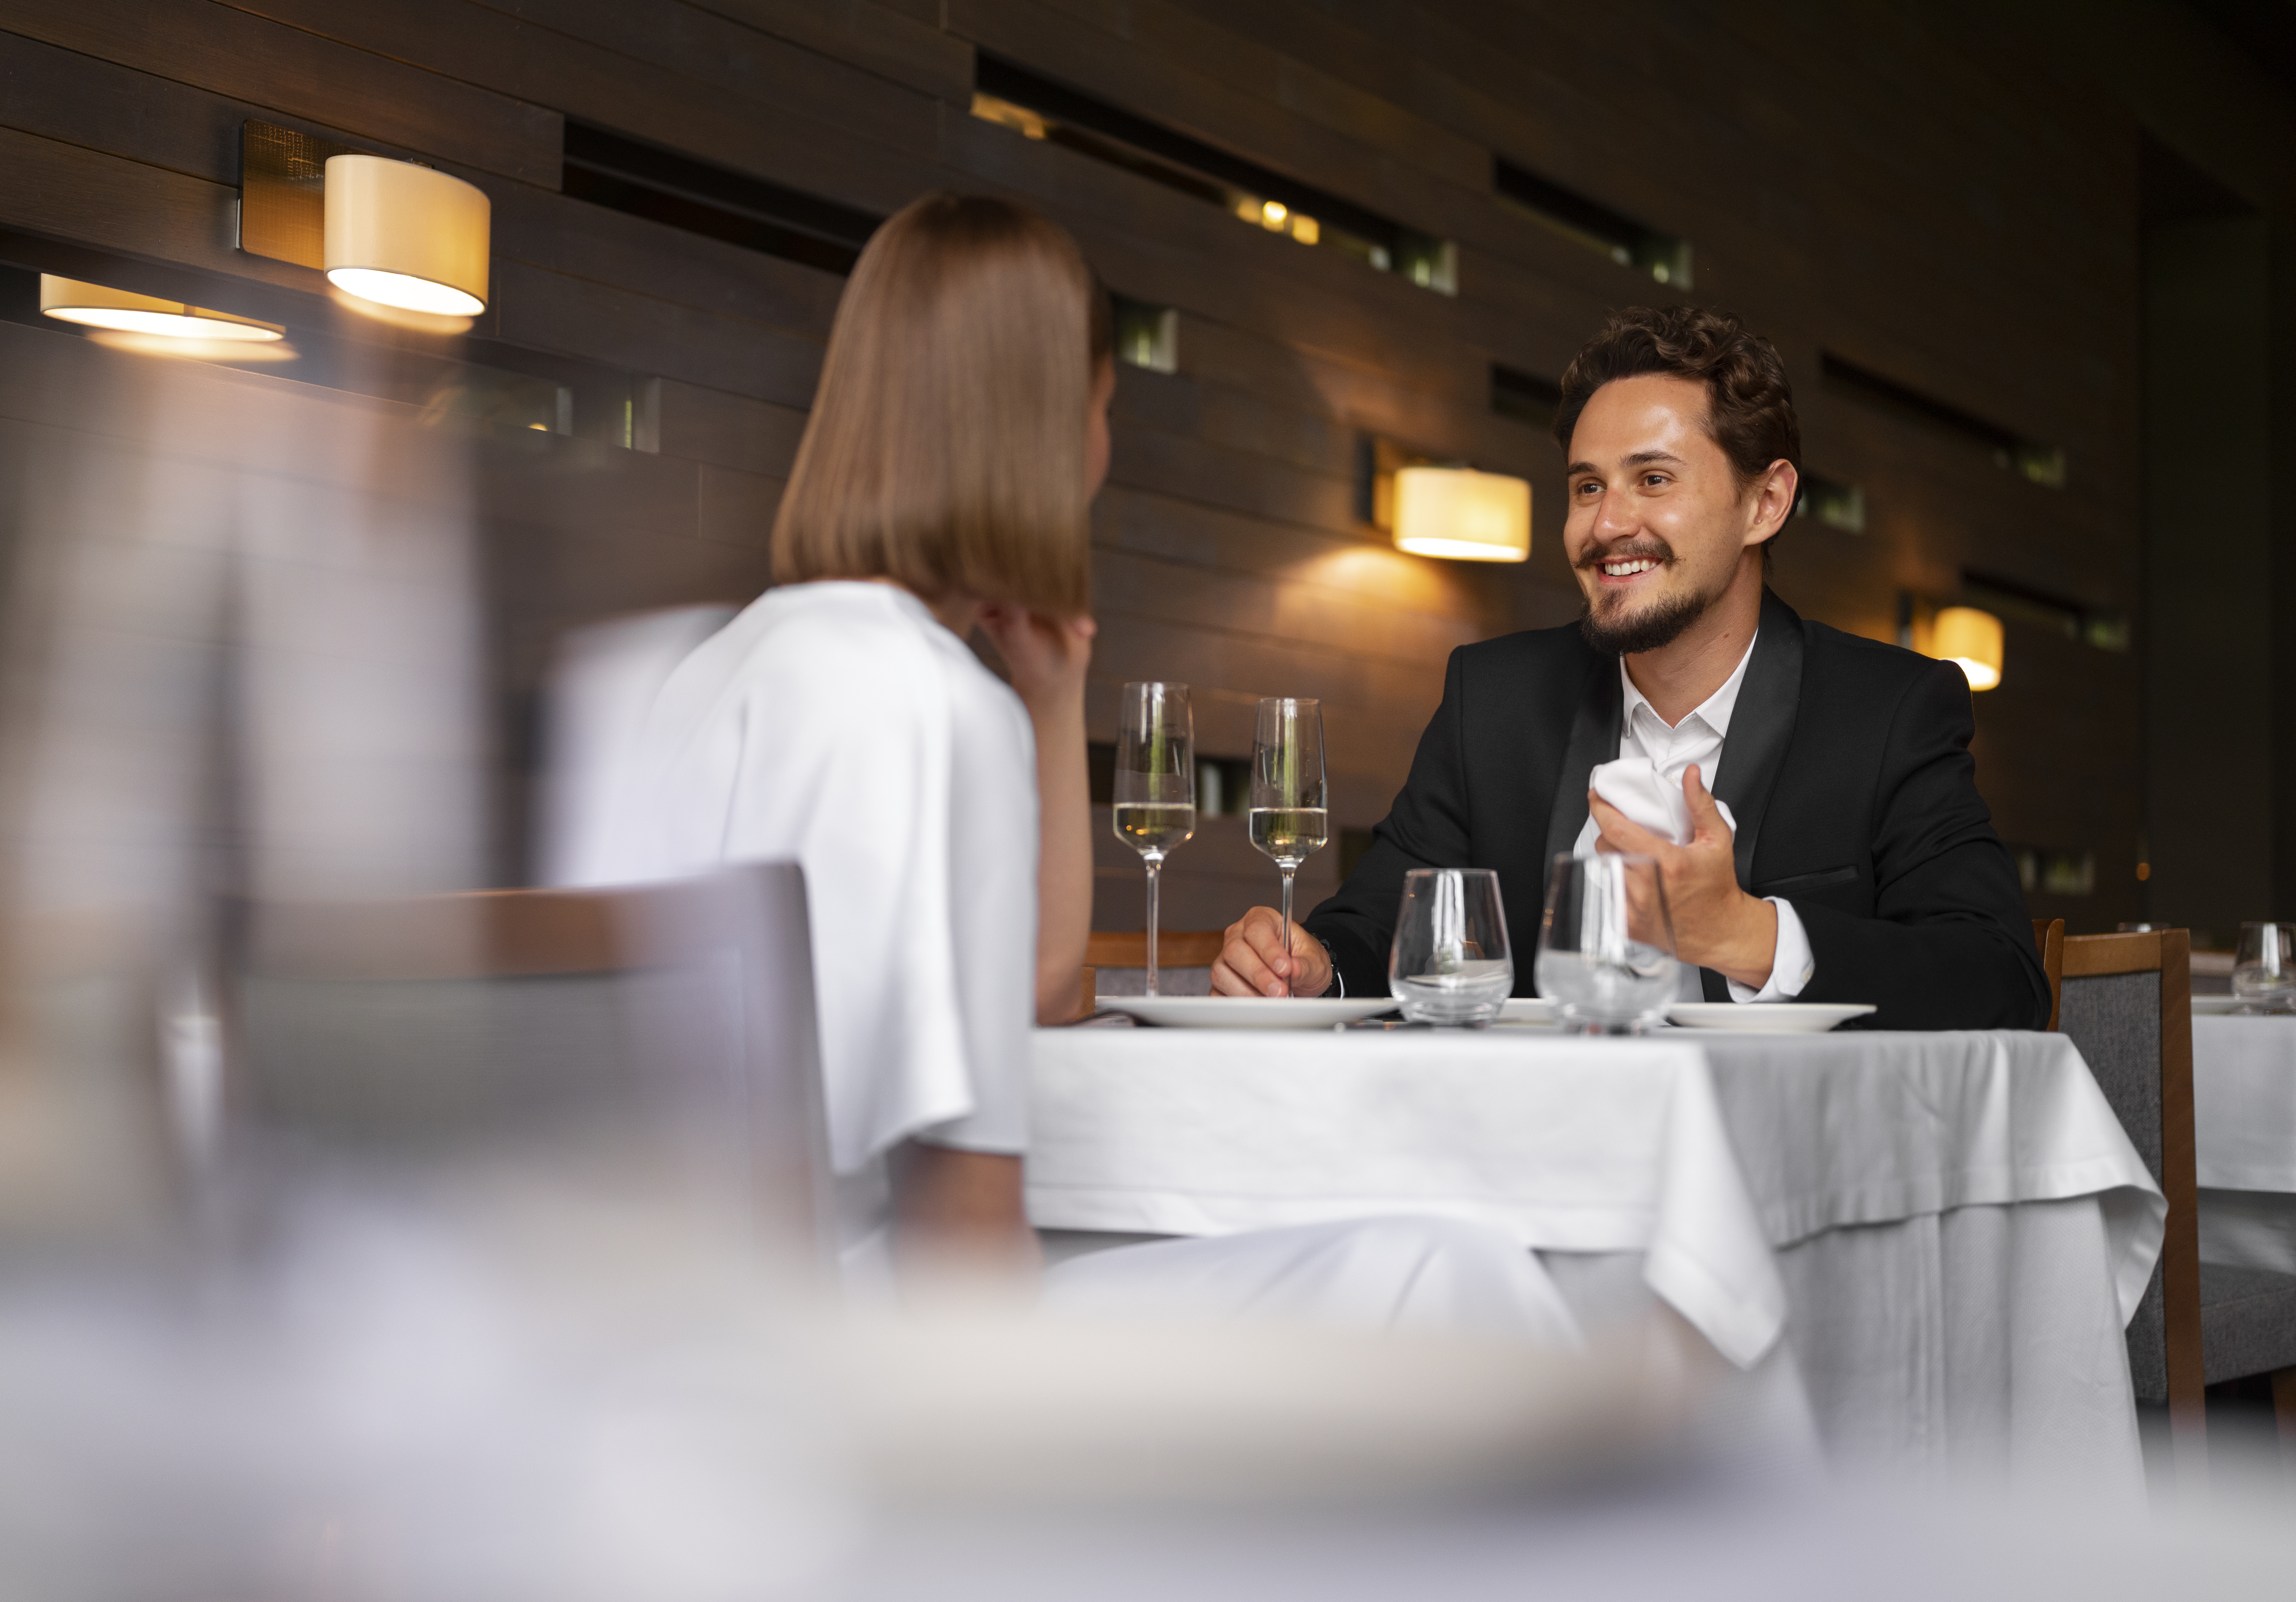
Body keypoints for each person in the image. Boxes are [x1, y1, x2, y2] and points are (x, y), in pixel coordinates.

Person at [571, 192, 1581, 1341]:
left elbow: (1040, 997)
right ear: (1048, 426)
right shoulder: (929, 704)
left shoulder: (720, 667)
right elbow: (963, 1250)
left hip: (683, 1339)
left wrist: (1051, 702)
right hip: (870, 1370)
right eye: (1103, 407)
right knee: (1448, 1274)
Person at [1212, 306, 2048, 1032]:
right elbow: (1376, 924)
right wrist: (1317, 964)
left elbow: (1997, 977)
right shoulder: (1492, 699)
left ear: (1765, 503)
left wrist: (1745, 934)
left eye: (1652, 479)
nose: (1608, 523)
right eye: (1585, 488)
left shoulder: (1889, 709)